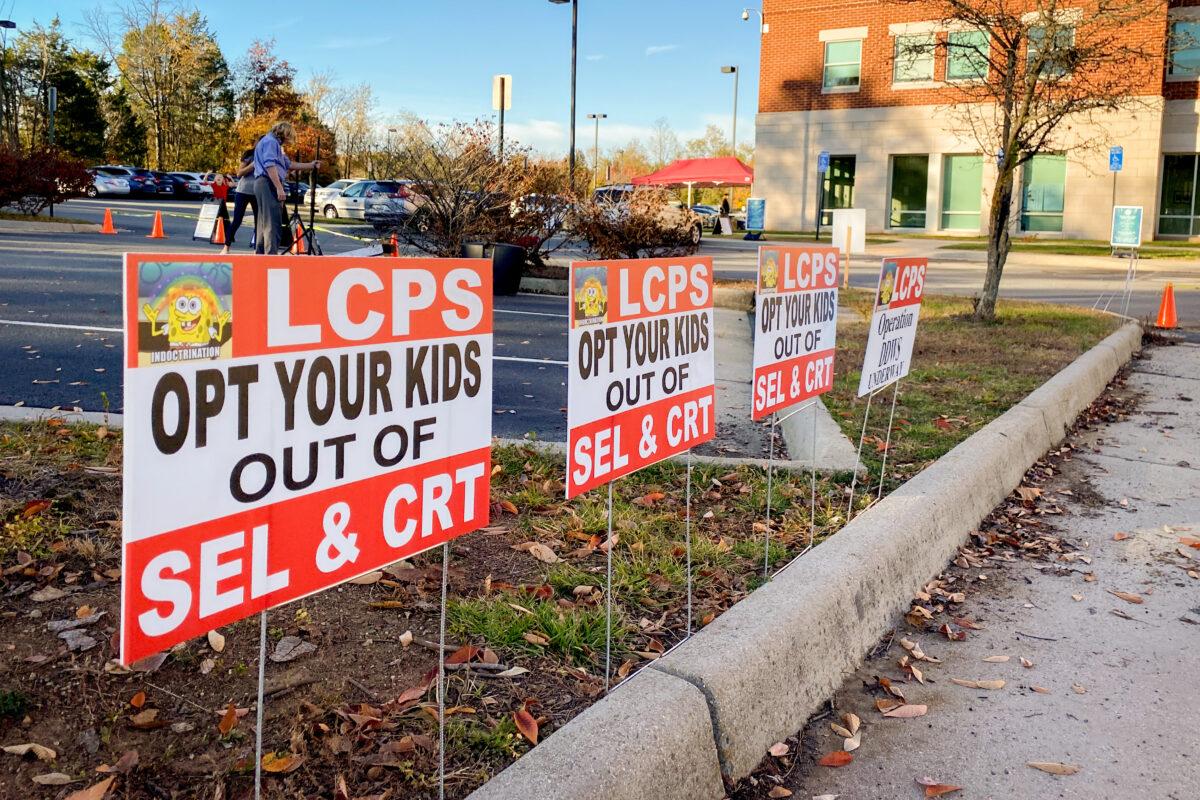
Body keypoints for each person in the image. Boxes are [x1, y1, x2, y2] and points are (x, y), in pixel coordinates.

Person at [253, 122, 320, 255]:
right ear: (285, 134)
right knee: (272, 224)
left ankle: (260, 256)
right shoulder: (271, 142)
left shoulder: (271, 143)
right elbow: (270, 165)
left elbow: (288, 164)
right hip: (268, 183)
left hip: (262, 183)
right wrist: (279, 187)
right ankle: (270, 257)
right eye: (289, 138)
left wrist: (310, 165)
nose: (289, 142)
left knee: (264, 223)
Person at [224, 150, 256, 254]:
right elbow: (239, 173)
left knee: (259, 221)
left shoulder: (268, 156)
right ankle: (226, 247)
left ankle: (257, 249)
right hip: (243, 191)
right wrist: (252, 165)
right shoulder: (250, 155)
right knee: (237, 220)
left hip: (258, 192)